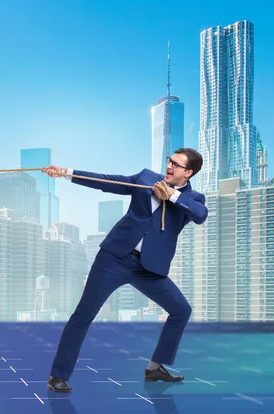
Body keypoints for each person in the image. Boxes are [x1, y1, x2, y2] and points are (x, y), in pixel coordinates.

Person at [41, 148, 208, 393]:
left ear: (189, 173)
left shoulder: (193, 198)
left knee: (181, 310)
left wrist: (171, 195)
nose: (170, 166)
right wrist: (66, 173)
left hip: (149, 268)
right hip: (114, 258)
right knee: (84, 314)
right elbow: (106, 182)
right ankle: (58, 375)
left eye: (177, 165)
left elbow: (200, 215)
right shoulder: (146, 179)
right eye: (169, 161)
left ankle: (154, 368)